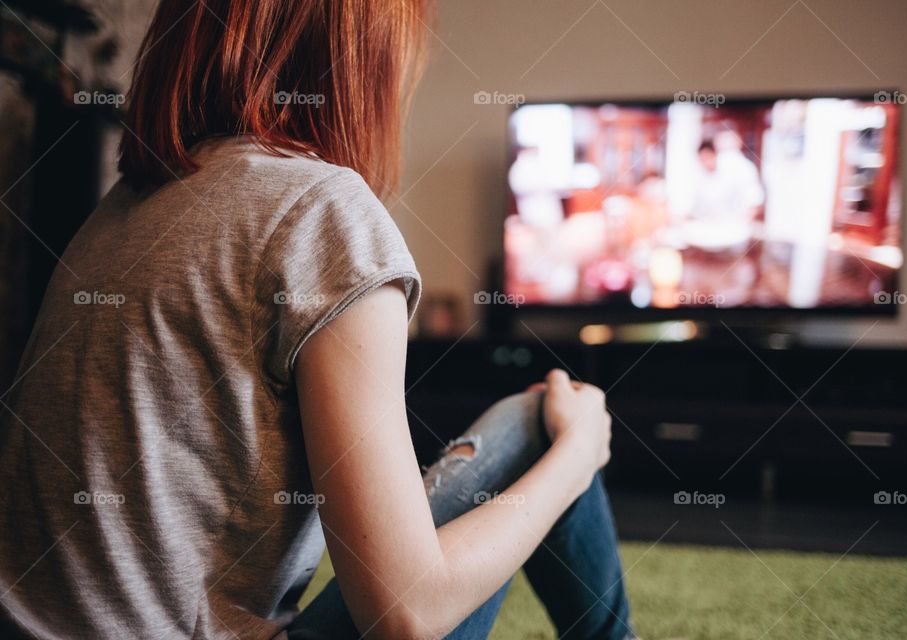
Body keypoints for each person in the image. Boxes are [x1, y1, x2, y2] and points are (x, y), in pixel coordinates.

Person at [0, 1, 635, 639]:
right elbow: (409, 614)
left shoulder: (123, 205)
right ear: (363, 58)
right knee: (544, 424)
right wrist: (578, 455)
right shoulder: (320, 210)